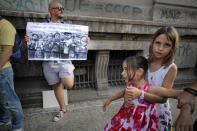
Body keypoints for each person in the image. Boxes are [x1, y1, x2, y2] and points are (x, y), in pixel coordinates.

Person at [25, 1, 75, 122]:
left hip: (63, 61)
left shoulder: (68, 26)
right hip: (48, 62)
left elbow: (74, 41)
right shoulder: (41, 26)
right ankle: (63, 109)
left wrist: (85, 39)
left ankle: (64, 76)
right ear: (51, 10)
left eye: (62, 8)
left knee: (68, 84)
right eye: (59, 8)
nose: (62, 10)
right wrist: (29, 40)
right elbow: (35, 42)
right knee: (56, 85)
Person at [125, 26, 179, 131]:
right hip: (140, 109)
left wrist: (141, 94)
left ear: (172, 48)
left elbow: (163, 98)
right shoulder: (144, 61)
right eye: (158, 43)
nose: (161, 48)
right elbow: (132, 84)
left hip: (158, 113)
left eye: (167, 45)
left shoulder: (171, 68)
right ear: (151, 42)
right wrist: (127, 96)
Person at [0, 16, 23, 131]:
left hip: (2, 70)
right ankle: (5, 119)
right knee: (2, 99)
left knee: (11, 101)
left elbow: (7, 52)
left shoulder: (4, 26)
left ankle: (18, 127)